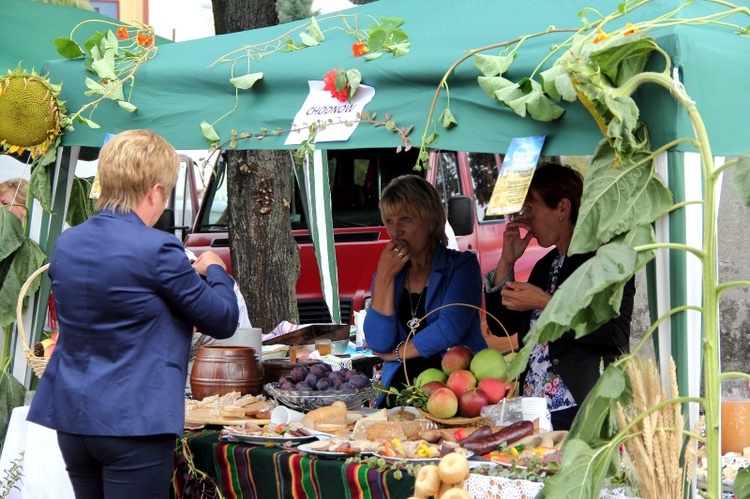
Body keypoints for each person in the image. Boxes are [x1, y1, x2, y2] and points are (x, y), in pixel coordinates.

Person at [27, 130, 240, 499]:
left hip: (74, 417)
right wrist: (215, 269)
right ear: (154, 191)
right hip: (133, 419)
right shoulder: (158, 248)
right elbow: (222, 320)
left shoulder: (68, 243)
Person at [484, 163, 634, 430]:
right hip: (536, 407)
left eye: (531, 209)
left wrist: (545, 303)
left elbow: (614, 334)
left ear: (562, 208)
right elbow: (501, 326)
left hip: (581, 405)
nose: (525, 218)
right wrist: (507, 262)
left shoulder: (604, 260)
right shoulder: (545, 265)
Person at [364, 174, 486, 407]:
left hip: (455, 395)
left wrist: (397, 353)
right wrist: (384, 278)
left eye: (405, 219)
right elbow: (378, 342)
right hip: (400, 393)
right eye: (389, 221)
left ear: (431, 221)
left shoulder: (462, 266)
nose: (395, 231)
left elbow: (450, 329)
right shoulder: (393, 273)